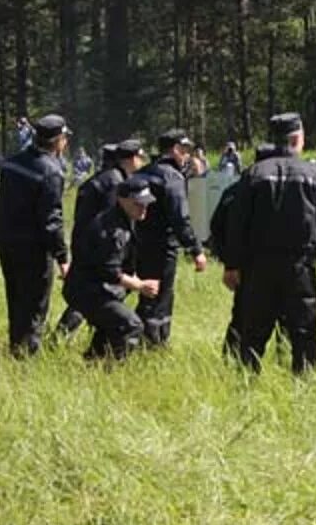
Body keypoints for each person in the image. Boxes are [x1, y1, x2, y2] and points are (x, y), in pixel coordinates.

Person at [222, 115, 316, 374]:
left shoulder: (253, 174)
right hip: (299, 266)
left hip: (259, 267)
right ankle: (304, 388)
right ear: (296, 139)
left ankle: (246, 384)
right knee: (304, 332)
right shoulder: (314, 174)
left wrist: (232, 265)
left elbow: (237, 225)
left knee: (254, 332)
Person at [0, 113, 71, 357]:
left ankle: (15, 346)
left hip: (6, 239)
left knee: (15, 298)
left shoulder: (11, 162)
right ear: (58, 140)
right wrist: (62, 256)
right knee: (35, 304)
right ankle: (26, 356)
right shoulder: (52, 171)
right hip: (34, 248)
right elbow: (51, 220)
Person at [63, 178, 160, 361]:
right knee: (131, 325)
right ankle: (111, 370)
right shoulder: (113, 230)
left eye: (146, 204)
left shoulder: (124, 219)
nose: (144, 208)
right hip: (88, 291)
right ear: (122, 200)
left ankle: (93, 365)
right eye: (139, 203)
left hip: (96, 289)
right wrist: (139, 285)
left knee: (111, 325)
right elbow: (110, 271)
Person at [56, 139, 146, 338]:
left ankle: (68, 336)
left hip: (86, 246)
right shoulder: (116, 183)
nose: (141, 161)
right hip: (101, 251)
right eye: (139, 157)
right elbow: (113, 223)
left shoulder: (99, 179)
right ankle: (66, 335)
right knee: (100, 298)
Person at [130, 129, 207, 346]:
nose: (186, 155)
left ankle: (139, 338)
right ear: (175, 149)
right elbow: (180, 218)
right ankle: (155, 345)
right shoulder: (172, 177)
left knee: (145, 294)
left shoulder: (143, 172)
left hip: (138, 243)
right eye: (184, 150)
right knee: (161, 298)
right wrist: (196, 250)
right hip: (163, 247)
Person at [210, 143, 278, 359]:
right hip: (271, 263)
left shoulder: (235, 189)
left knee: (242, 314)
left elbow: (216, 228)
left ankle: (232, 357)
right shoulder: (279, 191)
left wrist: (229, 261)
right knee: (283, 316)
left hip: (244, 266)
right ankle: (283, 359)